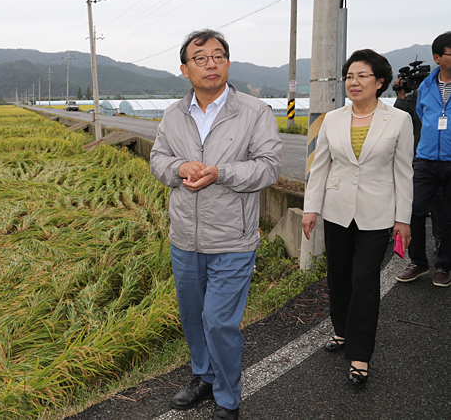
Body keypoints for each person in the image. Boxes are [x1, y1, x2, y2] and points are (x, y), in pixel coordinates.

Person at [150, 29, 282, 420]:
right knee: (193, 316)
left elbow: (270, 167)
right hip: (184, 238)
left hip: (233, 239)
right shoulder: (174, 114)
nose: (211, 63)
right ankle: (204, 376)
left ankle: (228, 397)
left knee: (219, 320)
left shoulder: (255, 112)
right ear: (184, 69)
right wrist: (179, 167)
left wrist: (220, 172)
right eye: (201, 58)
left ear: (228, 63)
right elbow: (158, 159)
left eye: (218, 56)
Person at [302, 49, 413, 385]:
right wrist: (311, 208)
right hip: (337, 210)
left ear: (380, 82)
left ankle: (360, 354)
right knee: (338, 276)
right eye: (350, 76)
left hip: (377, 214)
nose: (354, 82)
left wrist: (403, 218)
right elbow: (319, 166)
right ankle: (341, 329)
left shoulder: (398, 120)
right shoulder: (333, 119)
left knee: (364, 280)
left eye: (362, 75)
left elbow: (404, 171)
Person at [397, 31, 451, 287]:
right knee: (415, 210)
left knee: (449, 215)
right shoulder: (425, 88)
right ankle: (418, 262)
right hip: (426, 160)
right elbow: (420, 116)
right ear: (437, 57)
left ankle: (444, 265)